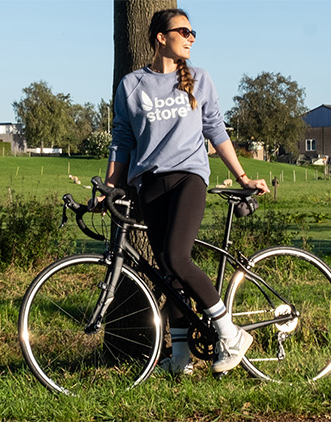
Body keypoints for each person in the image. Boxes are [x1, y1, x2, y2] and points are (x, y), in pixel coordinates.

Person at [106, 8, 270, 377]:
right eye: (183, 31)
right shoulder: (132, 85)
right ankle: (180, 355)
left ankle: (230, 334)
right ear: (160, 37)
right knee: (167, 270)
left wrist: (242, 176)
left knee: (177, 257)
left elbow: (215, 129)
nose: (191, 36)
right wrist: (109, 188)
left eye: (193, 32)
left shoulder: (199, 78)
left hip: (188, 178)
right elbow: (122, 141)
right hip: (149, 183)